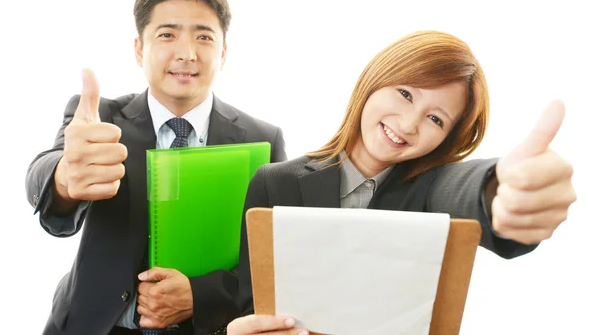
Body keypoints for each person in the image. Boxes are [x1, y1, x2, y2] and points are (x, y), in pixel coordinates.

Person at [226, 30, 576, 335]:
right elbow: (252, 306)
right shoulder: (274, 183)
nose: (408, 124)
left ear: (446, 139)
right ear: (375, 80)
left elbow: (464, 188)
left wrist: (501, 190)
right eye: (406, 94)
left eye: (436, 119)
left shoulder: (430, 189)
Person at [25, 0, 287, 335]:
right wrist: (64, 179)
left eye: (204, 37)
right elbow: (48, 174)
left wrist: (199, 294)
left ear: (223, 52)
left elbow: (270, 259)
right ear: (139, 49)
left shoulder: (263, 139)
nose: (186, 53)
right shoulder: (100, 118)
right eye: (167, 34)